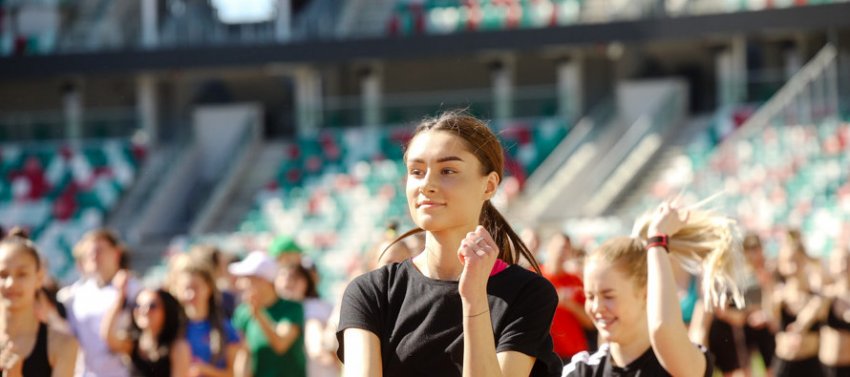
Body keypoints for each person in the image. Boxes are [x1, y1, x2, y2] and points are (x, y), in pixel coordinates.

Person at [337, 111, 562, 376]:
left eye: (447, 171)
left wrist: (474, 298)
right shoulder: (371, 292)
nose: (427, 185)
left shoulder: (528, 293)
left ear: (489, 186)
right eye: (416, 171)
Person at [564, 202, 744, 377]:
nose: (596, 307)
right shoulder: (582, 371)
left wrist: (657, 241)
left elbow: (662, 329)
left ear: (646, 293)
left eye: (608, 295)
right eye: (590, 296)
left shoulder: (681, 362)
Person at [58, 229, 142, 377]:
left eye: (99, 251)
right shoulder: (74, 294)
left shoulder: (134, 289)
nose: (94, 257)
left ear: (116, 253)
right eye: (89, 253)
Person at [0, 228, 79, 377]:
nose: (11, 283)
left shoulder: (62, 345)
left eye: (22, 274)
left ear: (39, 278)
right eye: (3, 274)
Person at [230, 251, 306, 377]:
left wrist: (258, 314)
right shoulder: (242, 312)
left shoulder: (292, 308)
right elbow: (243, 354)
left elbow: (280, 345)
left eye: (247, 279)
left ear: (262, 280)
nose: (240, 284)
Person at [102, 277, 192, 377]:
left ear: (166, 310)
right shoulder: (133, 344)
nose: (143, 311)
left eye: (152, 306)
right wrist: (120, 298)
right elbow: (108, 336)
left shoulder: (178, 347)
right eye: (137, 306)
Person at [170, 263, 242, 377]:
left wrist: (204, 369)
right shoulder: (172, 329)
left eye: (196, 288)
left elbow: (235, 373)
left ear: (209, 288)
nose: (191, 294)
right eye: (186, 288)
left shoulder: (226, 329)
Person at [770, 229, 825, 377]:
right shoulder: (778, 297)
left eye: (797, 259)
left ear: (804, 260)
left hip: (811, 365)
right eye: (789, 260)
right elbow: (772, 322)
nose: (793, 264)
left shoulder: (816, 297)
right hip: (785, 365)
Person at [277, 264, 339, 377]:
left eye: (293, 278)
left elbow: (314, 337)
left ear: (305, 281)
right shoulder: (284, 309)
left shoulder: (312, 307)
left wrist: (317, 349)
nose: (286, 282)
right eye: (282, 276)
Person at [542, 232, 592, 362]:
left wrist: (570, 305)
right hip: (547, 353)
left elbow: (590, 322)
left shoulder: (575, 280)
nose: (562, 252)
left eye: (566, 248)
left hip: (575, 352)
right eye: (559, 247)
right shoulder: (535, 276)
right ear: (548, 247)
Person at [820, 246, 850, 377]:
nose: (843, 267)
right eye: (838, 262)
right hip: (829, 367)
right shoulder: (826, 296)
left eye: (847, 261)